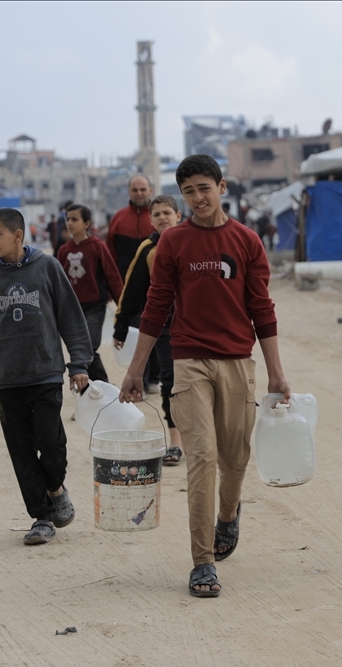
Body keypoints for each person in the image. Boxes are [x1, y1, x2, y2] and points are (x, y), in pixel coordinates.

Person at [117, 154, 291, 598]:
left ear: (222, 187)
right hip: (188, 362)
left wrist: (276, 372)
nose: (197, 198)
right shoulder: (173, 243)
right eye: (189, 191)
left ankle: (228, 515)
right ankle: (202, 563)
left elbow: (262, 310)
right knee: (202, 458)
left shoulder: (248, 241)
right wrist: (136, 370)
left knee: (235, 457)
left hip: (236, 361)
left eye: (204, 189)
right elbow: (156, 306)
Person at [0, 208, 93, 546]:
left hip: (45, 372)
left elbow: (70, 317)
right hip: (6, 378)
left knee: (51, 442)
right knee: (21, 451)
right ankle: (41, 516)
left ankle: (55, 486)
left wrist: (79, 364)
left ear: (17, 235)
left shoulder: (48, 267)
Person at [113, 195, 185, 465]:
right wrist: (121, 326)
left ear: (179, 215)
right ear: (150, 220)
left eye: (168, 212)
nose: (163, 218)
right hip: (165, 326)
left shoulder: (192, 242)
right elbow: (132, 290)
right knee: (170, 382)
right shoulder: (147, 248)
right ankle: (175, 442)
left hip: (197, 326)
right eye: (157, 214)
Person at [57, 204, 124, 383]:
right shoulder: (64, 250)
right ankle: (89, 399)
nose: (70, 223)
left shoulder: (97, 247)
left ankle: (106, 391)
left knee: (88, 350)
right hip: (71, 310)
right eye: (68, 219)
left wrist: (123, 308)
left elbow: (113, 277)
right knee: (79, 354)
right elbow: (57, 283)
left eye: (75, 219)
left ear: (87, 223)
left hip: (95, 306)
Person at [107, 175, 155, 276]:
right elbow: (110, 255)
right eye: (135, 190)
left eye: (143, 189)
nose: (139, 193)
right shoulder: (118, 218)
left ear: (151, 191)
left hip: (154, 281)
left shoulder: (159, 216)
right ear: (129, 192)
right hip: (124, 281)